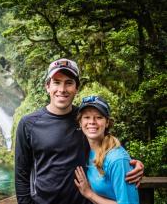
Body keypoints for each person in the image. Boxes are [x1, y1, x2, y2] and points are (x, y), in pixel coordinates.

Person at [15, 58, 143, 204]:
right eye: (56, 82)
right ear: (47, 86)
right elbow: (21, 174)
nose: (62, 89)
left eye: (69, 83)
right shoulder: (29, 123)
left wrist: (133, 164)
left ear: (76, 88)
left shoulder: (86, 120)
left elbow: (110, 147)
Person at [74, 96, 139, 204]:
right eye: (87, 117)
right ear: (80, 122)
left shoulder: (117, 159)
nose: (92, 122)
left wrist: (89, 194)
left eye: (99, 117)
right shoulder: (88, 150)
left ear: (107, 122)